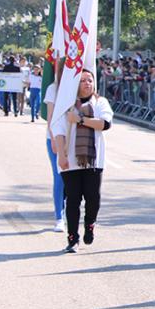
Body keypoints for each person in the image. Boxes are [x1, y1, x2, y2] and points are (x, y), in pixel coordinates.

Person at [53, 70, 114, 253]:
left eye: (90, 80)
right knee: (72, 199)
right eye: (83, 81)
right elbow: (59, 130)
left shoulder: (100, 102)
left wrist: (80, 119)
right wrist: (61, 156)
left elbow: (105, 124)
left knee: (93, 198)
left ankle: (90, 225)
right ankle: (73, 238)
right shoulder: (66, 104)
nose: (88, 83)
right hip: (70, 160)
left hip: (93, 160)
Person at [43, 63, 66, 232]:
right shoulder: (53, 89)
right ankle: (59, 217)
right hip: (55, 137)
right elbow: (50, 116)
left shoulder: (77, 88)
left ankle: (68, 208)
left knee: (72, 178)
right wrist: (53, 138)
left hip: (73, 139)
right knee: (59, 177)